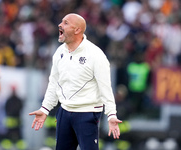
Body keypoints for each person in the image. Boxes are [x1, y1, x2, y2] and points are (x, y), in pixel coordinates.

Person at [29, 13, 122, 150]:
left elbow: (105, 88)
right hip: (64, 112)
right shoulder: (59, 52)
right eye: (61, 22)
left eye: (66, 23)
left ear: (77, 30)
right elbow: (54, 83)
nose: (60, 25)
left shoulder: (95, 55)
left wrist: (111, 114)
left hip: (87, 113)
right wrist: (45, 109)